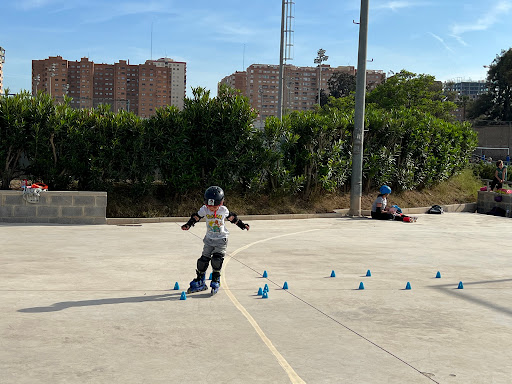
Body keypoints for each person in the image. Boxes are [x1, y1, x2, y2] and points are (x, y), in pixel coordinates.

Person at [181, 186, 250, 294]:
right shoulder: (204, 209)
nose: (211, 208)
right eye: (209, 206)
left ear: (221, 203)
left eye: (214, 206)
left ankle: (216, 279)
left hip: (221, 239)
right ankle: (200, 281)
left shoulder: (223, 210)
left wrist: (242, 225)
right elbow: (196, 217)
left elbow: (233, 219)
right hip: (209, 239)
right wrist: (188, 224)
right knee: (203, 260)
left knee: (216, 260)